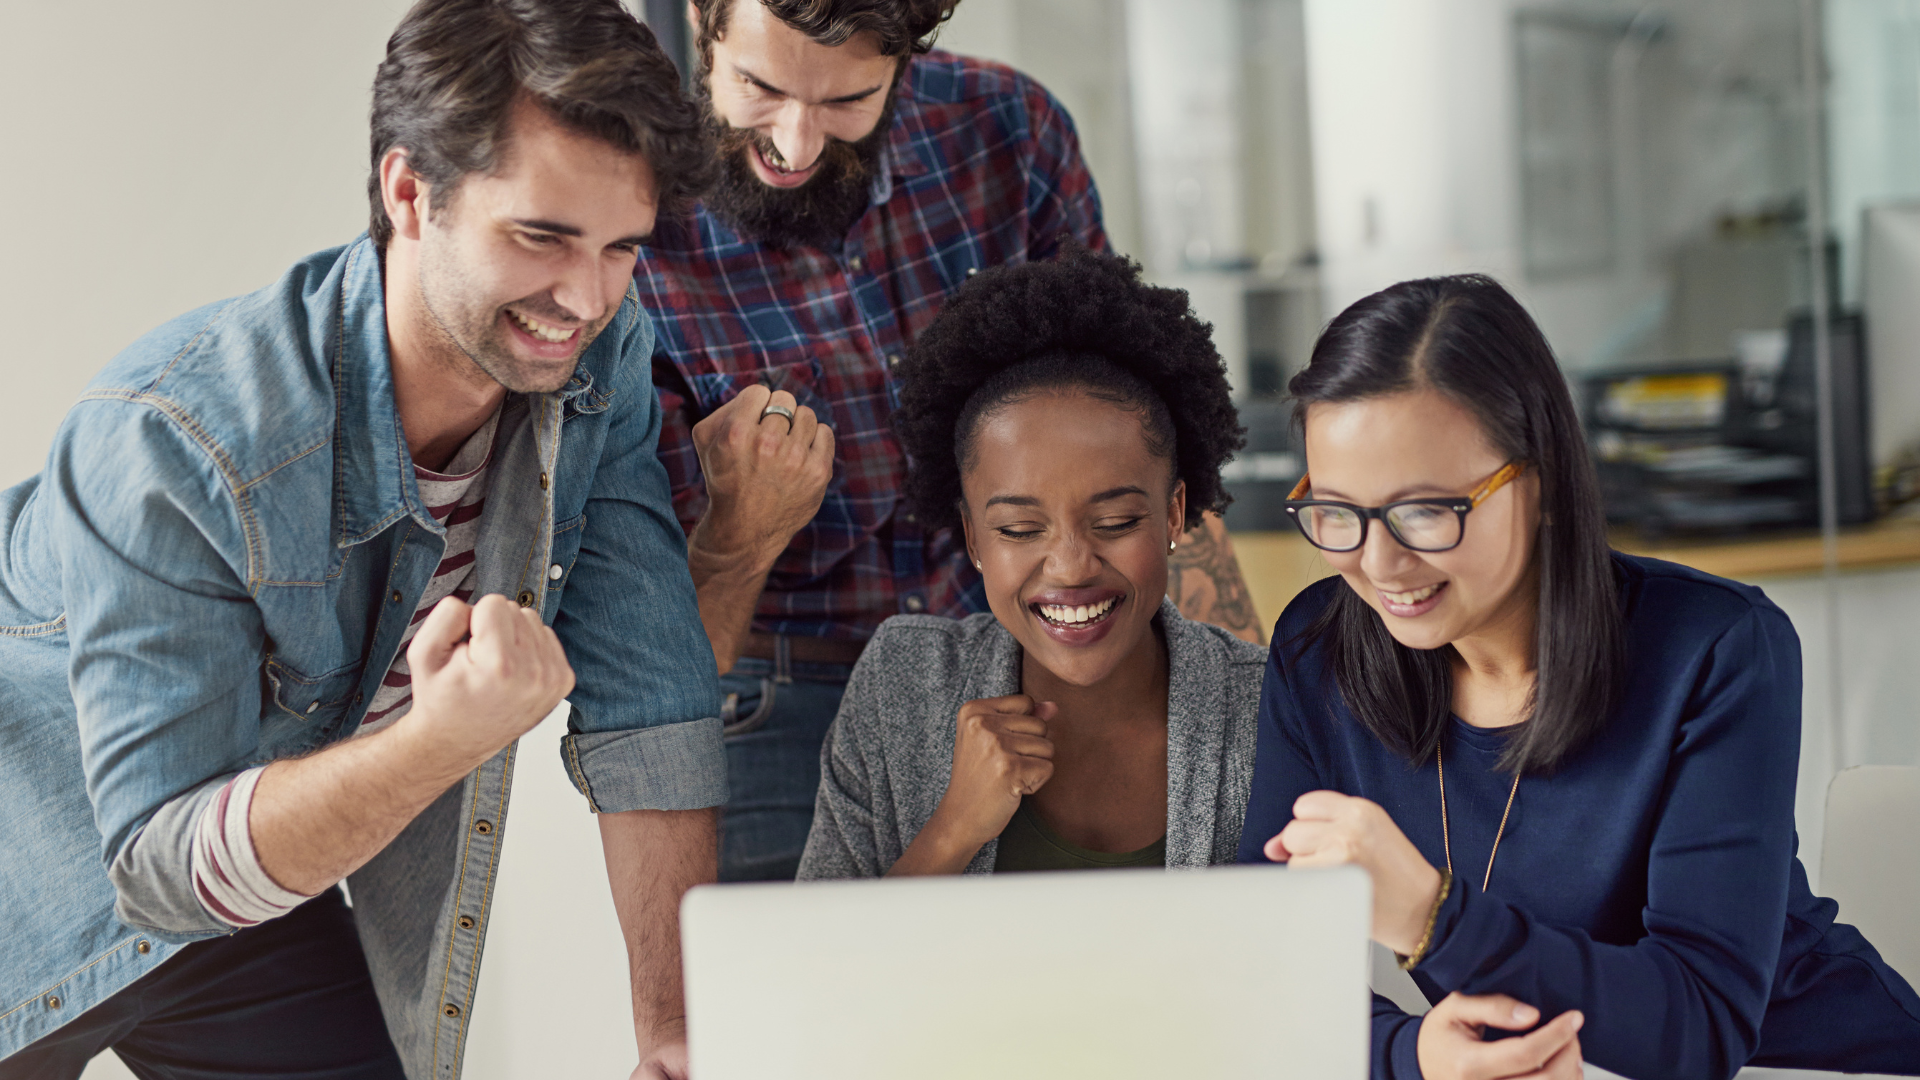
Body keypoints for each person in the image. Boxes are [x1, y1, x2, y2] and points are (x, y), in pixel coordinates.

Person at [0, 4, 723, 1078]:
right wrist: (440, 740)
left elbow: (649, 699)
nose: (586, 299)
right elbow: (158, 861)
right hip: (40, 879)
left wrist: (673, 1031)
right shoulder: (177, 441)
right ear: (408, 193)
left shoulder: (597, 365)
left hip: (247, 897)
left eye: (622, 248)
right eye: (542, 237)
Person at [634, 0, 1265, 882]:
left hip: (1031, 676)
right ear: (704, 16)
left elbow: (1133, 420)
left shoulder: (1008, 130)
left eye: (847, 101)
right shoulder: (632, 221)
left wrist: (1235, 702)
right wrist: (741, 529)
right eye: (759, 87)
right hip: (776, 703)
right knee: (807, 1008)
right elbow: (660, 666)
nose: (797, 143)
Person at [1239, 274, 1920, 1080]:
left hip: (1816, 1070)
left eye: (1425, 511)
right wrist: (1411, 1053)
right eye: (1335, 511)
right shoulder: (1321, 650)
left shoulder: (1717, 649)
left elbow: (1700, 1023)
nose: (1379, 562)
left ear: (1544, 484)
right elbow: (1259, 957)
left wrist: (1431, 920)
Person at [797, 247, 1262, 880]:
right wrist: (953, 830)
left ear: (1176, 512)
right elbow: (822, 973)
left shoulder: (1265, 703)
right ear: (973, 537)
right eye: (1019, 528)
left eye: (1116, 522)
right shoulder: (903, 686)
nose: (1070, 567)